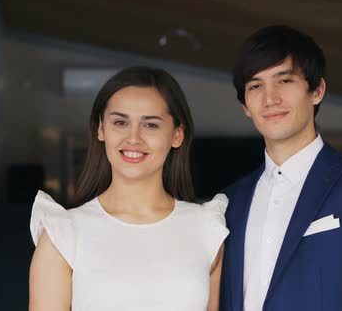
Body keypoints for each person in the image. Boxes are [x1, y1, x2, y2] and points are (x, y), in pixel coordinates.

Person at [219, 25, 342, 311]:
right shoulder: (230, 202)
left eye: (284, 81)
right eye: (255, 86)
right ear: (245, 106)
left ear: (317, 90)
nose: (269, 98)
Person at [28, 66, 228, 311]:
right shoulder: (64, 233)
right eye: (120, 122)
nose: (133, 138)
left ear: (177, 135)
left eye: (151, 125)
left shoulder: (207, 227)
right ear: (101, 129)